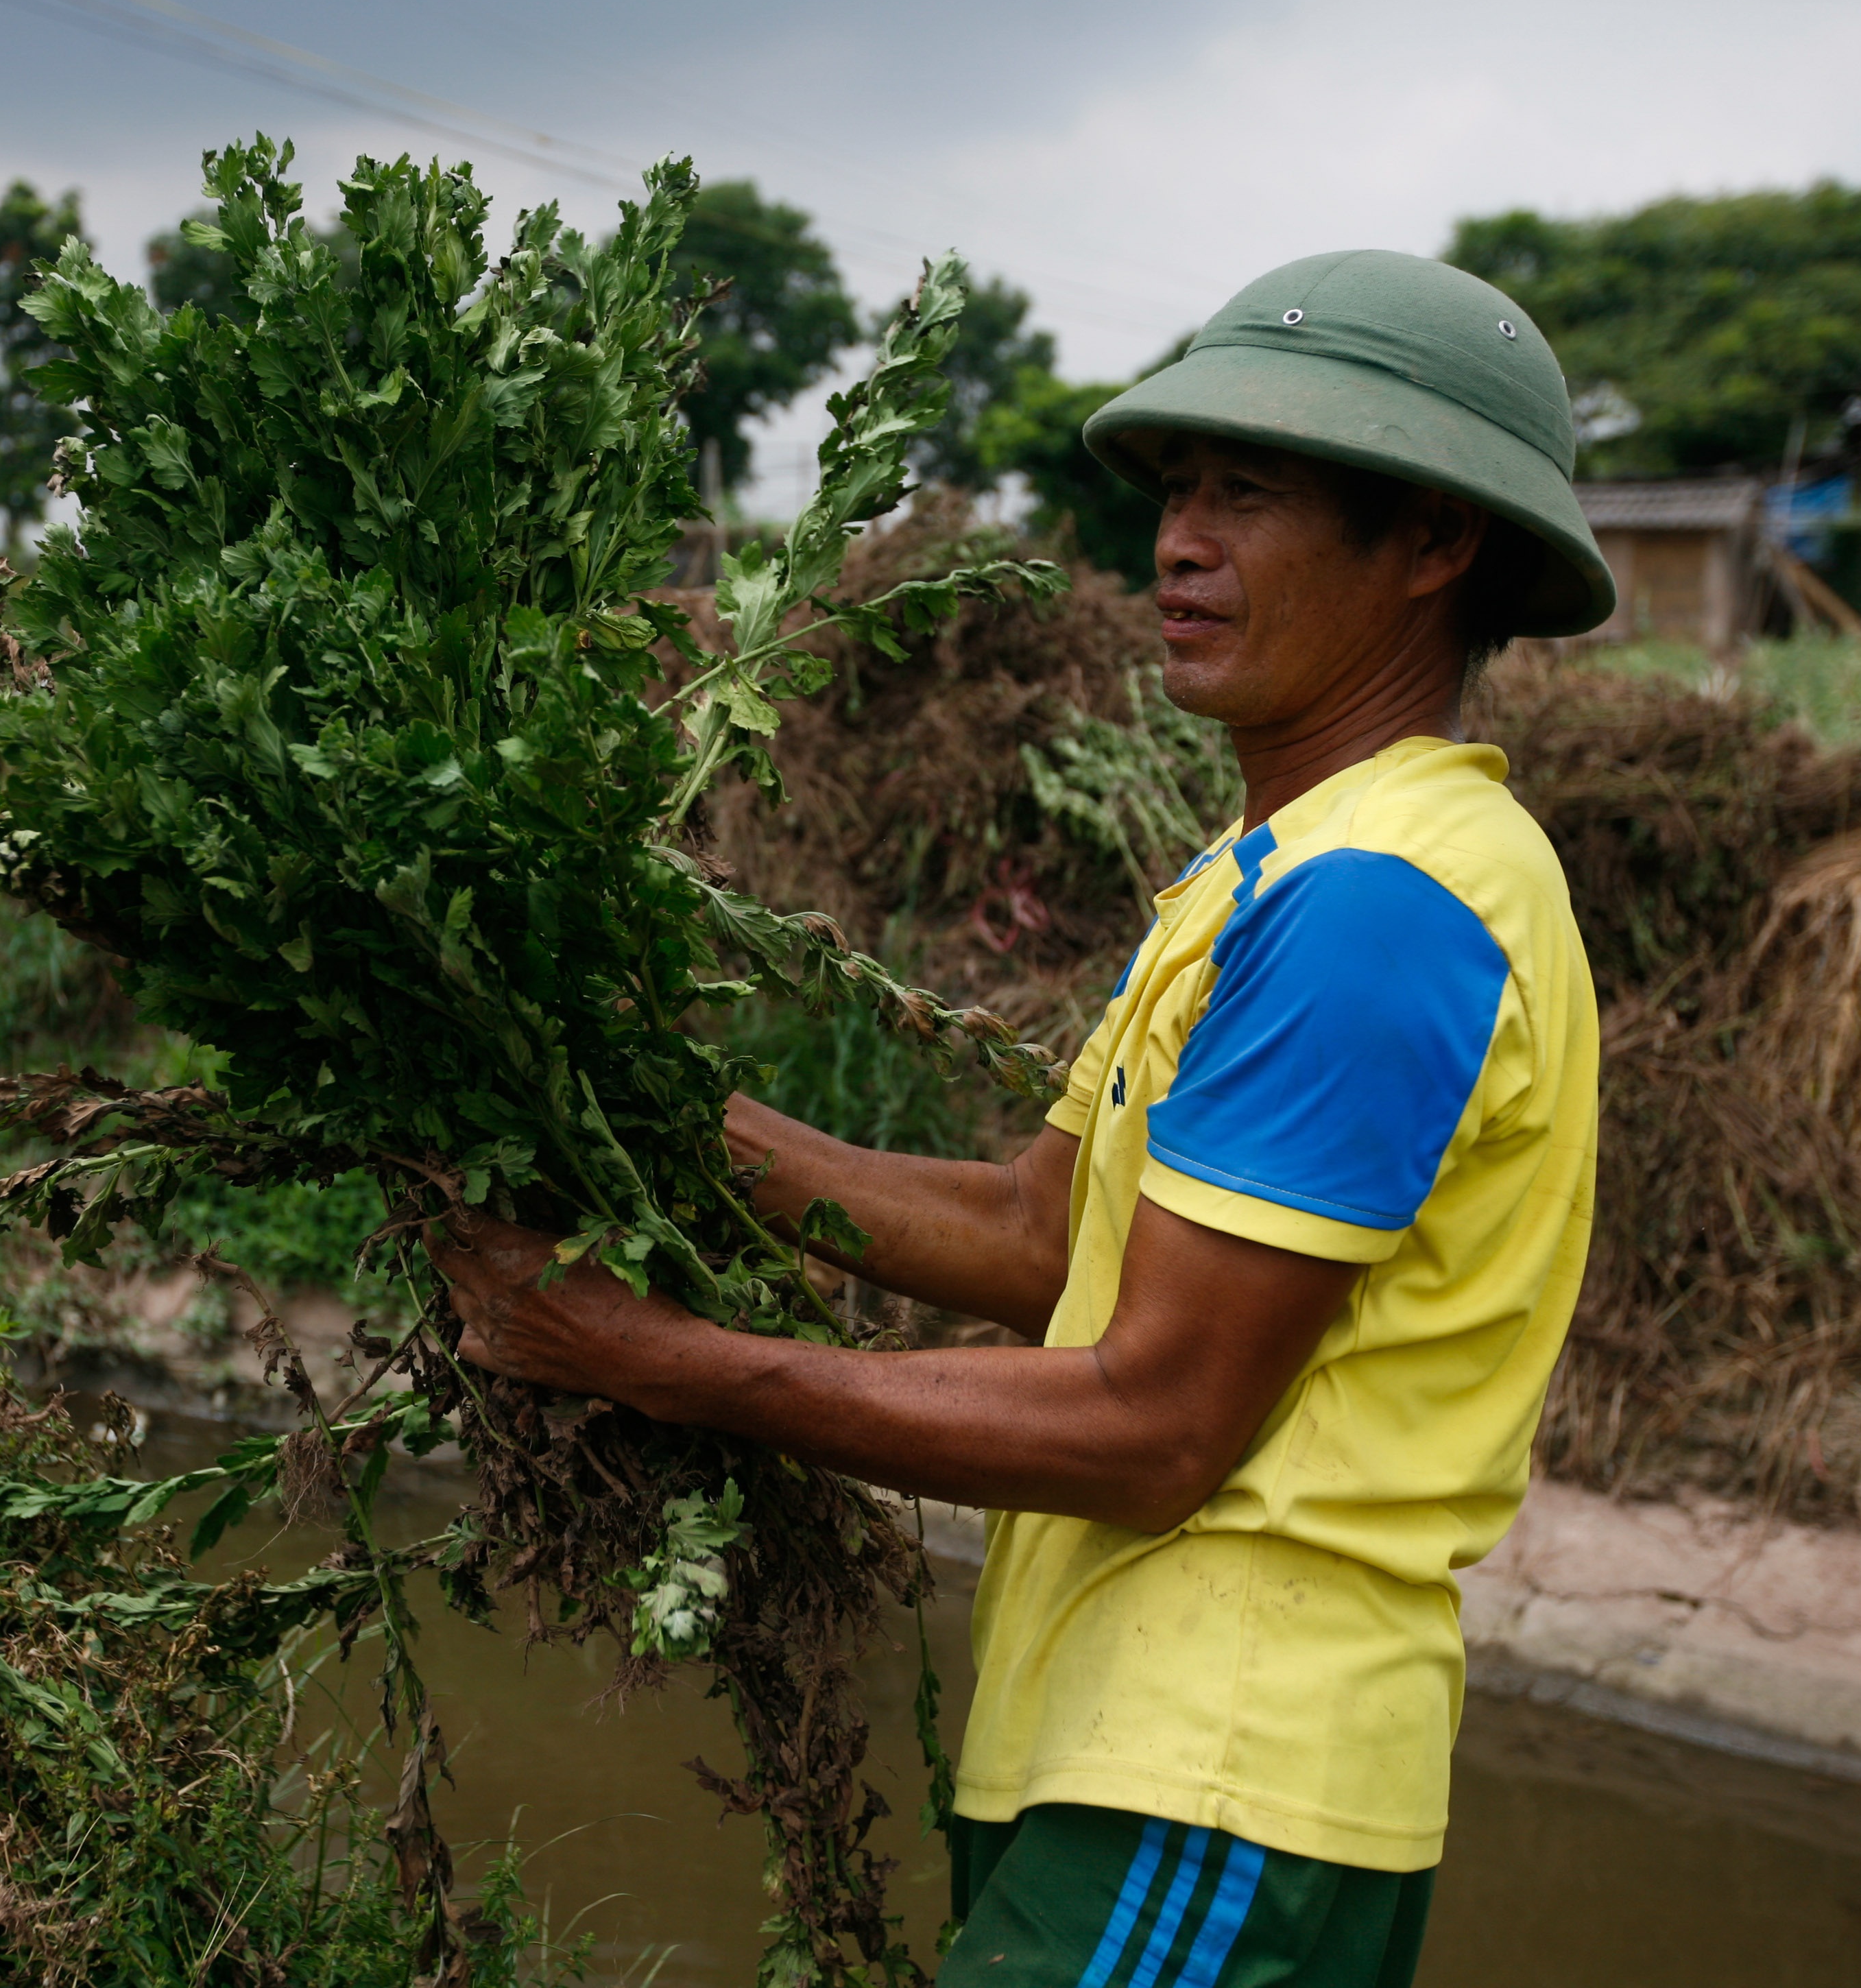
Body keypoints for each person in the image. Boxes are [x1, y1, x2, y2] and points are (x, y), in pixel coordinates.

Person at [428, 250, 1618, 1988]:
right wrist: (643, 1103)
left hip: (1222, 1788)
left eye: (1255, 493)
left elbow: (1155, 1423)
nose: (1180, 543)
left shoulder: (1389, 902)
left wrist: (642, 1352)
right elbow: (1041, 1236)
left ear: (1436, 541)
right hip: (1139, 1774)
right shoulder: (1268, 874)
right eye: (1179, 490)